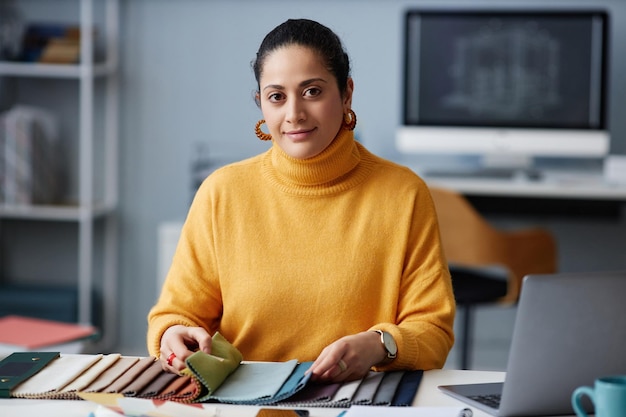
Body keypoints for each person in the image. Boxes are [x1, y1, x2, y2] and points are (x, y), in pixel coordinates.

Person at [147, 18, 455, 383]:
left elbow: (433, 331)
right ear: (261, 103)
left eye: (312, 92)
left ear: (346, 94)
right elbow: (176, 316)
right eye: (276, 96)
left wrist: (379, 344)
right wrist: (173, 337)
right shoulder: (221, 192)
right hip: (240, 404)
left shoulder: (404, 194)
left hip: (361, 399)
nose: (294, 114)